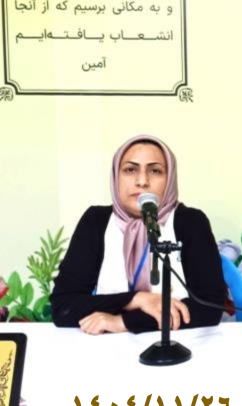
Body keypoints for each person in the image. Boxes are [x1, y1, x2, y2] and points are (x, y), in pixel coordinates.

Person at [51, 135, 226, 335]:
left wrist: (122, 322)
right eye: (130, 170)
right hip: (107, 347)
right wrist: (137, 299)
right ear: (116, 177)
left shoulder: (190, 222)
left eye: (155, 171)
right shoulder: (96, 221)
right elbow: (64, 307)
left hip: (181, 344)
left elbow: (210, 308)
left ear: (170, 178)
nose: (142, 181)